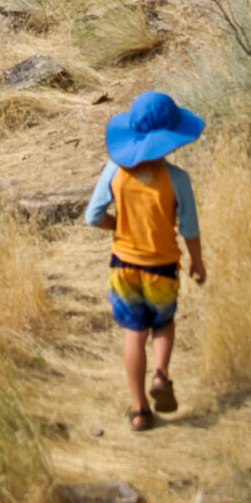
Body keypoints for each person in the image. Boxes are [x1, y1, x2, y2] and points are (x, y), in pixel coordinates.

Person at [84, 89, 206, 431]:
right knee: (163, 323)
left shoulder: (115, 170)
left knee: (133, 333)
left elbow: (93, 215)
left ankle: (139, 410)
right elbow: (190, 228)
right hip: (162, 268)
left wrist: (117, 225)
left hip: (123, 266)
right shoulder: (178, 180)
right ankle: (161, 374)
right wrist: (197, 263)